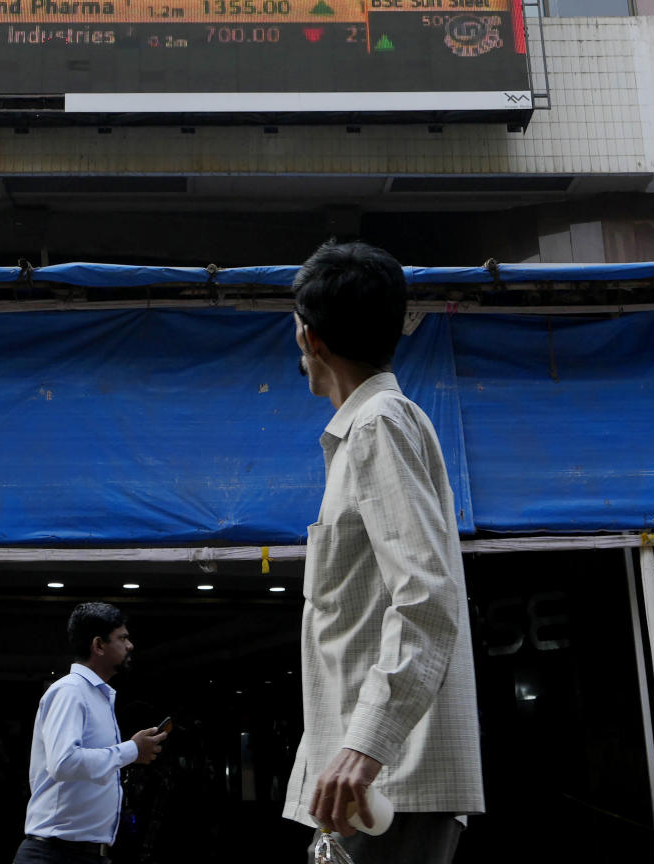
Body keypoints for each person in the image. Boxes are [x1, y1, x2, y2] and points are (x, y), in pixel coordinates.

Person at [283, 242, 484, 864]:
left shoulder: (378, 427)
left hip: (386, 783)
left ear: (311, 338)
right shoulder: (370, 428)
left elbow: (426, 595)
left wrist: (365, 745)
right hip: (367, 782)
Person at [12, 601, 166, 864]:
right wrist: (131, 750)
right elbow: (64, 763)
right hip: (55, 854)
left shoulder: (97, 695)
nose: (130, 646)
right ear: (98, 645)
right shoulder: (71, 691)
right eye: (123, 638)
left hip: (82, 852)